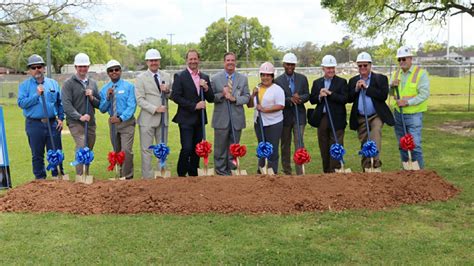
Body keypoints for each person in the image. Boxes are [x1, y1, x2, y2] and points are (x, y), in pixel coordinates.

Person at [17, 54, 65, 179]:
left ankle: (57, 176)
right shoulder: (24, 86)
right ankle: (40, 180)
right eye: (33, 67)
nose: (37, 70)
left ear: (44, 68)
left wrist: (60, 118)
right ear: (29, 70)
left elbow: (60, 103)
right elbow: (21, 103)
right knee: (37, 155)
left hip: (52, 123)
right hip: (34, 124)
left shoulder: (53, 84)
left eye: (39, 66)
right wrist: (36, 95)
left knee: (56, 151)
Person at [348, 52, 395, 171]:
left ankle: (376, 164)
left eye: (365, 65)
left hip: (376, 115)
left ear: (370, 65)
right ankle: (366, 168)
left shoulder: (380, 79)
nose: (362, 68)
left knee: (375, 133)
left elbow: (382, 96)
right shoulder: (353, 80)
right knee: (364, 143)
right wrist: (356, 89)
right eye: (360, 66)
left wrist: (367, 88)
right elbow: (348, 98)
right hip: (361, 117)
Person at [171, 49, 214, 177]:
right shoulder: (180, 76)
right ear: (187, 60)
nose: (193, 61)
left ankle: (194, 172)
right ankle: (181, 172)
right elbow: (176, 97)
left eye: (195, 59)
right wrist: (194, 106)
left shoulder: (204, 77)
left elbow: (211, 98)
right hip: (185, 119)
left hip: (199, 120)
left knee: (197, 148)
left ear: (198, 60)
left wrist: (206, 88)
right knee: (187, 148)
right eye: (191, 59)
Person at [390, 46, 430, 169]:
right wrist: (391, 86)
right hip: (399, 114)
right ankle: (407, 170)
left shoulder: (420, 74)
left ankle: (420, 174)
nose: (401, 62)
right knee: (402, 144)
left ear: (410, 58)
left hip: (414, 115)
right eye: (399, 59)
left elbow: (424, 94)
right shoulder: (396, 74)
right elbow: (391, 93)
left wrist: (408, 103)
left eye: (404, 59)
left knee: (415, 145)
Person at [210, 52, 250, 175]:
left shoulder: (243, 79)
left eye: (232, 60)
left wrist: (235, 99)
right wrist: (222, 94)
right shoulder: (216, 79)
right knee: (220, 148)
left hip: (237, 118)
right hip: (221, 118)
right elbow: (211, 98)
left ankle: (232, 170)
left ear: (235, 62)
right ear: (224, 62)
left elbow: (247, 97)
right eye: (228, 60)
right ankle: (221, 171)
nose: (230, 62)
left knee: (234, 147)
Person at [135, 49, 172, 178]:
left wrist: (167, 91)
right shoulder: (140, 78)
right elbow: (140, 100)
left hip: (163, 119)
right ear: (147, 62)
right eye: (151, 60)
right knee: (147, 151)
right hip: (147, 119)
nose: (154, 63)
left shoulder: (166, 76)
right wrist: (155, 108)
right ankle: (148, 178)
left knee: (162, 149)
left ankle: (162, 175)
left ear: (159, 61)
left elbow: (171, 95)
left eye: (156, 60)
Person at [62, 53, 101, 175]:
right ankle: (80, 177)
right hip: (75, 122)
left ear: (88, 67)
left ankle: (86, 174)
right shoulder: (68, 83)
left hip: (90, 123)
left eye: (85, 66)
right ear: (75, 67)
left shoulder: (93, 83)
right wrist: (80, 116)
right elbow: (66, 105)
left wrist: (91, 97)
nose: (83, 69)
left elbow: (98, 104)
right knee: (81, 145)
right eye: (80, 66)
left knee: (88, 149)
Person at [309, 55, 348, 173]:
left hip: (337, 118)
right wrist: (320, 95)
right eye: (328, 68)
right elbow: (312, 100)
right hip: (322, 118)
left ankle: (335, 171)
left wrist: (330, 93)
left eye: (332, 68)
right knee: (324, 146)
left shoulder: (341, 82)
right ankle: (326, 172)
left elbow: (344, 99)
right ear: (323, 68)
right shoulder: (317, 83)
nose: (330, 70)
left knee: (336, 145)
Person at [99, 60, 137, 179]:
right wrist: (107, 97)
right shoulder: (104, 89)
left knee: (126, 151)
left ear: (120, 71)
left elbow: (132, 106)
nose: (114, 72)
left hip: (126, 122)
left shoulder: (129, 87)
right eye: (111, 70)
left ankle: (127, 177)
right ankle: (119, 174)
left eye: (116, 69)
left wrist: (121, 118)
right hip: (113, 124)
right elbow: (102, 109)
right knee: (117, 150)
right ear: (108, 73)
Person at [275, 53, 309, 175]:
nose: (290, 66)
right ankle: (287, 171)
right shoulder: (278, 81)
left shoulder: (302, 78)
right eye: (288, 64)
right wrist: (290, 100)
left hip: (299, 116)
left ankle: (300, 171)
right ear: (283, 65)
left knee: (299, 143)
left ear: (295, 65)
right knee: (285, 144)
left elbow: (307, 95)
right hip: (285, 117)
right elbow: (277, 98)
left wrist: (299, 98)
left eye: (292, 64)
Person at [248, 62, 285, 174]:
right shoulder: (257, 88)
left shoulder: (277, 89)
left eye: (268, 75)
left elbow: (281, 105)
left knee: (272, 148)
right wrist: (253, 95)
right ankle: (261, 171)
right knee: (262, 147)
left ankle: (272, 172)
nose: (265, 77)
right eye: (263, 75)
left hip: (273, 123)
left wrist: (264, 109)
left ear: (272, 76)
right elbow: (249, 105)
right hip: (259, 122)